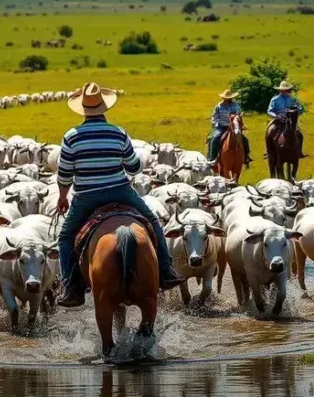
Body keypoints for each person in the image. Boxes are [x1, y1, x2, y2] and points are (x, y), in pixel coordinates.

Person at [55, 82, 184, 307]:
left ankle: (71, 287)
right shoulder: (118, 132)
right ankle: (166, 270)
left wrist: (62, 196)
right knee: (152, 221)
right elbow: (134, 167)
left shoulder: (71, 137)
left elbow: (65, 174)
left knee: (65, 238)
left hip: (86, 197)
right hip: (121, 191)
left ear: (82, 109)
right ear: (104, 107)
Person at [207, 89, 253, 163]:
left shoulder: (236, 105)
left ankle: (246, 157)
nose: (229, 100)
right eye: (227, 98)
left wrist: (238, 123)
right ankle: (212, 159)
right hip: (222, 127)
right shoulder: (219, 106)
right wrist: (219, 123)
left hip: (234, 126)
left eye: (230, 98)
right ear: (224, 98)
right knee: (215, 138)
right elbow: (214, 117)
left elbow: (239, 115)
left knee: (245, 139)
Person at [266, 81, 307, 158]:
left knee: (300, 135)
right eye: (283, 90)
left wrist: (297, 109)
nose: (285, 91)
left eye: (286, 90)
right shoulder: (274, 99)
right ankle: (269, 151)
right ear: (280, 90)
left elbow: (300, 110)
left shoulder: (293, 99)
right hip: (278, 120)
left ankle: (299, 152)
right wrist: (276, 116)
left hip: (290, 121)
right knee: (269, 132)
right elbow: (269, 111)